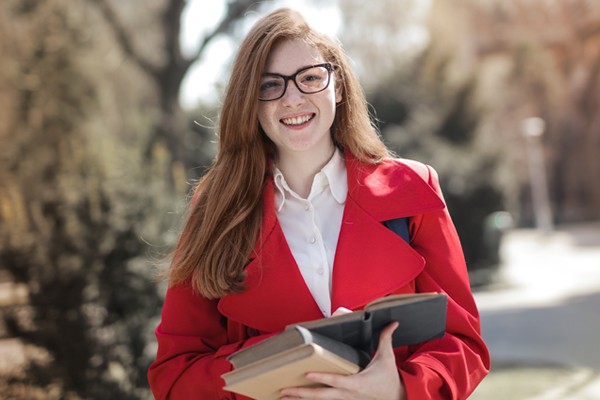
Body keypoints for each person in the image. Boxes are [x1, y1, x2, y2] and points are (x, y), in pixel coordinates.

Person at [148, 7, 490, 400]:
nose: (293, 99)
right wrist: (281, 364)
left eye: (310, 78)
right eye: (270, 85)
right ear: (251, 101)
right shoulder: (215, 208)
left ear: (338, 86)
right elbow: (174, 375)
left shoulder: (413, 189)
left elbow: (464, 344)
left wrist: (398, 388)